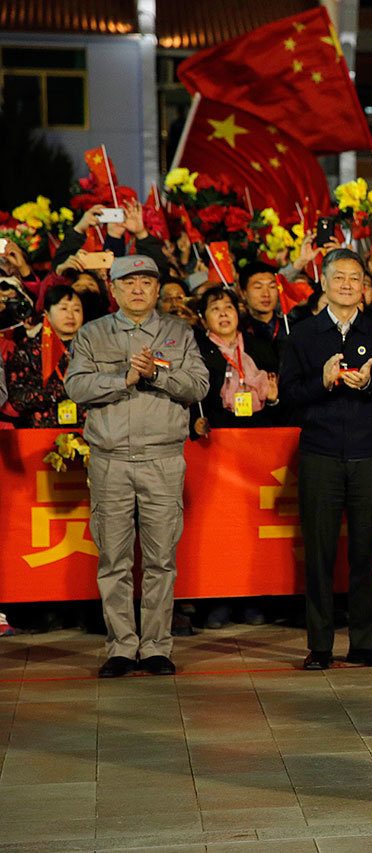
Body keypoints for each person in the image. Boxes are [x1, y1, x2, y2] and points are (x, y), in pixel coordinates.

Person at [64, 255, 210, 678]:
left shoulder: (178, 333)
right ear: (114, 289)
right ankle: (121, 647)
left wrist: (157, 376)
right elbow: (76, 385)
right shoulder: (93, 334)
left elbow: (200, 384)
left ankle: (157, 647)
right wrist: (122, 380)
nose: (138, 289)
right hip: (110, 461)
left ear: (157, 288)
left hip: (162, 460)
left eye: (146, 282)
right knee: (113, 559)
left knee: (161, 559)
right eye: (129, 283)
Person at [279, 248, 372, 671]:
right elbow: (288, 397)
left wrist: (368, 383)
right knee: (320, 551)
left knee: (367, 551)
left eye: (355, 278)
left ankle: (365, 643)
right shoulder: (303, 335)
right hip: (320, 454)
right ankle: (320, 646)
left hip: (367, 453)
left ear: (363, 287)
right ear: (324, 283)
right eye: (339, 277)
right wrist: (322, 380)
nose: (347, 284)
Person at [191, 288, 281, 431]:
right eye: (215, 309)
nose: (223, 314)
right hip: (218, 434)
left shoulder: (260, 347)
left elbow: (282, 411)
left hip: (260, 432)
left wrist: (273, 401)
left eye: (228, 307)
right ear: (203, 321)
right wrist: (196, 424)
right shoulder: (197, 353)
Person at [4, 285, 86, 427]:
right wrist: (58, 391)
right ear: (46, 313)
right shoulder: (28, 350)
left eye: (77, 309)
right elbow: (17, 397)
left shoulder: (95, 348)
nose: (71, 315)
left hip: (89, 433)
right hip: (42, 433)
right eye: (63, 308)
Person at [240, 262, 288, 345]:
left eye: (272, 287)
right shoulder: (238, 331)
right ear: (243, 293)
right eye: (258, 287)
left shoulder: (291, 327)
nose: (266, 294)